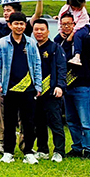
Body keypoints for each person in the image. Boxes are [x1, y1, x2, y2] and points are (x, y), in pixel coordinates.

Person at [0, 12, 43, 164]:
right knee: (9, 122)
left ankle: (28, 152)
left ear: (25, 26)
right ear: (10, 25)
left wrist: (38, 85)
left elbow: (37, 64)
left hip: (28, 88)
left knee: (28, 122)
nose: (19, 26)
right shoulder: (2, 43)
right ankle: (8, 152)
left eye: (22, 24)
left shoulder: (31, 43)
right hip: (9, 88)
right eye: (16, 24)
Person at [55, 12, 90, 159]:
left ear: (74, 24)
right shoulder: (59, 40)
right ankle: (77, 147)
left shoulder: (81, 37)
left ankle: (88, 148)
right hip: (67, 86)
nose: (66, 27)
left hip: (82, 85)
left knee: (86, 120)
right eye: (63, 24)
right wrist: (67, 40)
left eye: (69, 24)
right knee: (71, 120)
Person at [31, 18, 67, 163]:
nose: (39, 32)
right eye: (36, 29)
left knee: (55, 122)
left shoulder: (55, 48)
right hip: (36, 92)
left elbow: (61, 68)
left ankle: (59, 151)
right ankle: (42, 150)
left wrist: (60, 86)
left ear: (48, 31)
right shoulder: (32, 48)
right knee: (39, 123)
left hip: (52, 92)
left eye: (42, 29)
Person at [60, 0, 90, 66]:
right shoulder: (65, 8)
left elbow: (80, 23)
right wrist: (60, 30)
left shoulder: (83, 11)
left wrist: (72, 34)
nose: (78, 9)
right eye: (76, 7)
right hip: (74, 26)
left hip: (83, 26)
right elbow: (60, 19)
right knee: (57, 38)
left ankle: (77, 56)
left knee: (77, 35)